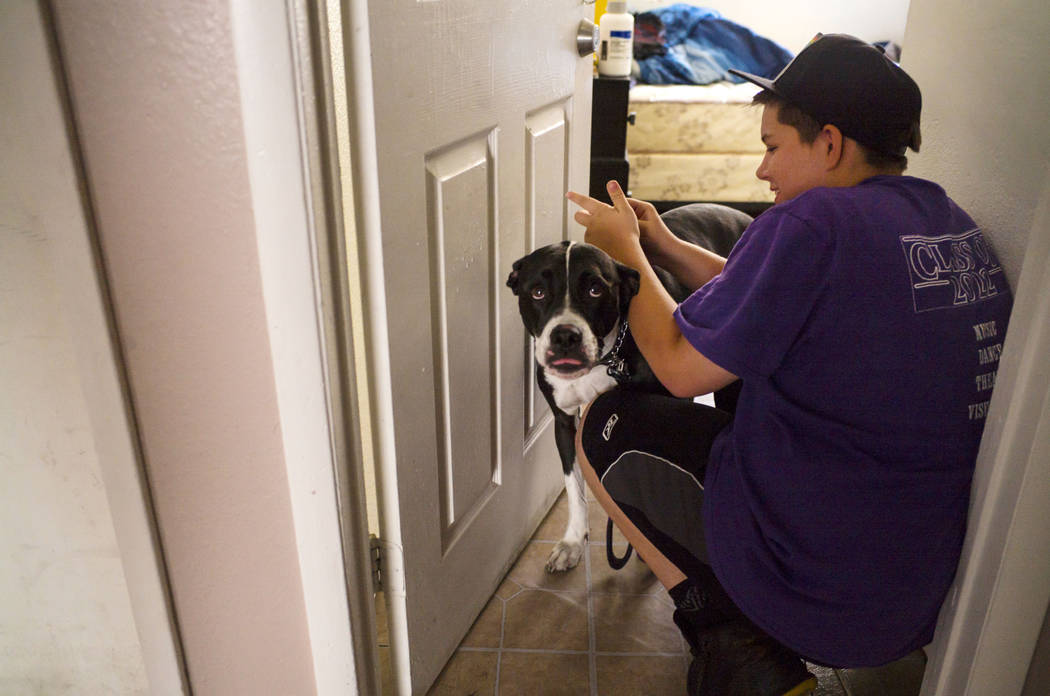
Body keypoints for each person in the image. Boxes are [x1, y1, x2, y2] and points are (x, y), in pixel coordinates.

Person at [565, 34, 1013, 696]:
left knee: (601, 423)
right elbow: (764, 300)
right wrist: (660, 242)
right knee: (746, 375)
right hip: (909, 595)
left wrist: (626, 258)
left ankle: (739, 647)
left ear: (829, 145)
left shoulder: (813, 222)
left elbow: (682, 371)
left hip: (813, 583)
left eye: (773, 147)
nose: (762, 171)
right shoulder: (945, 223)